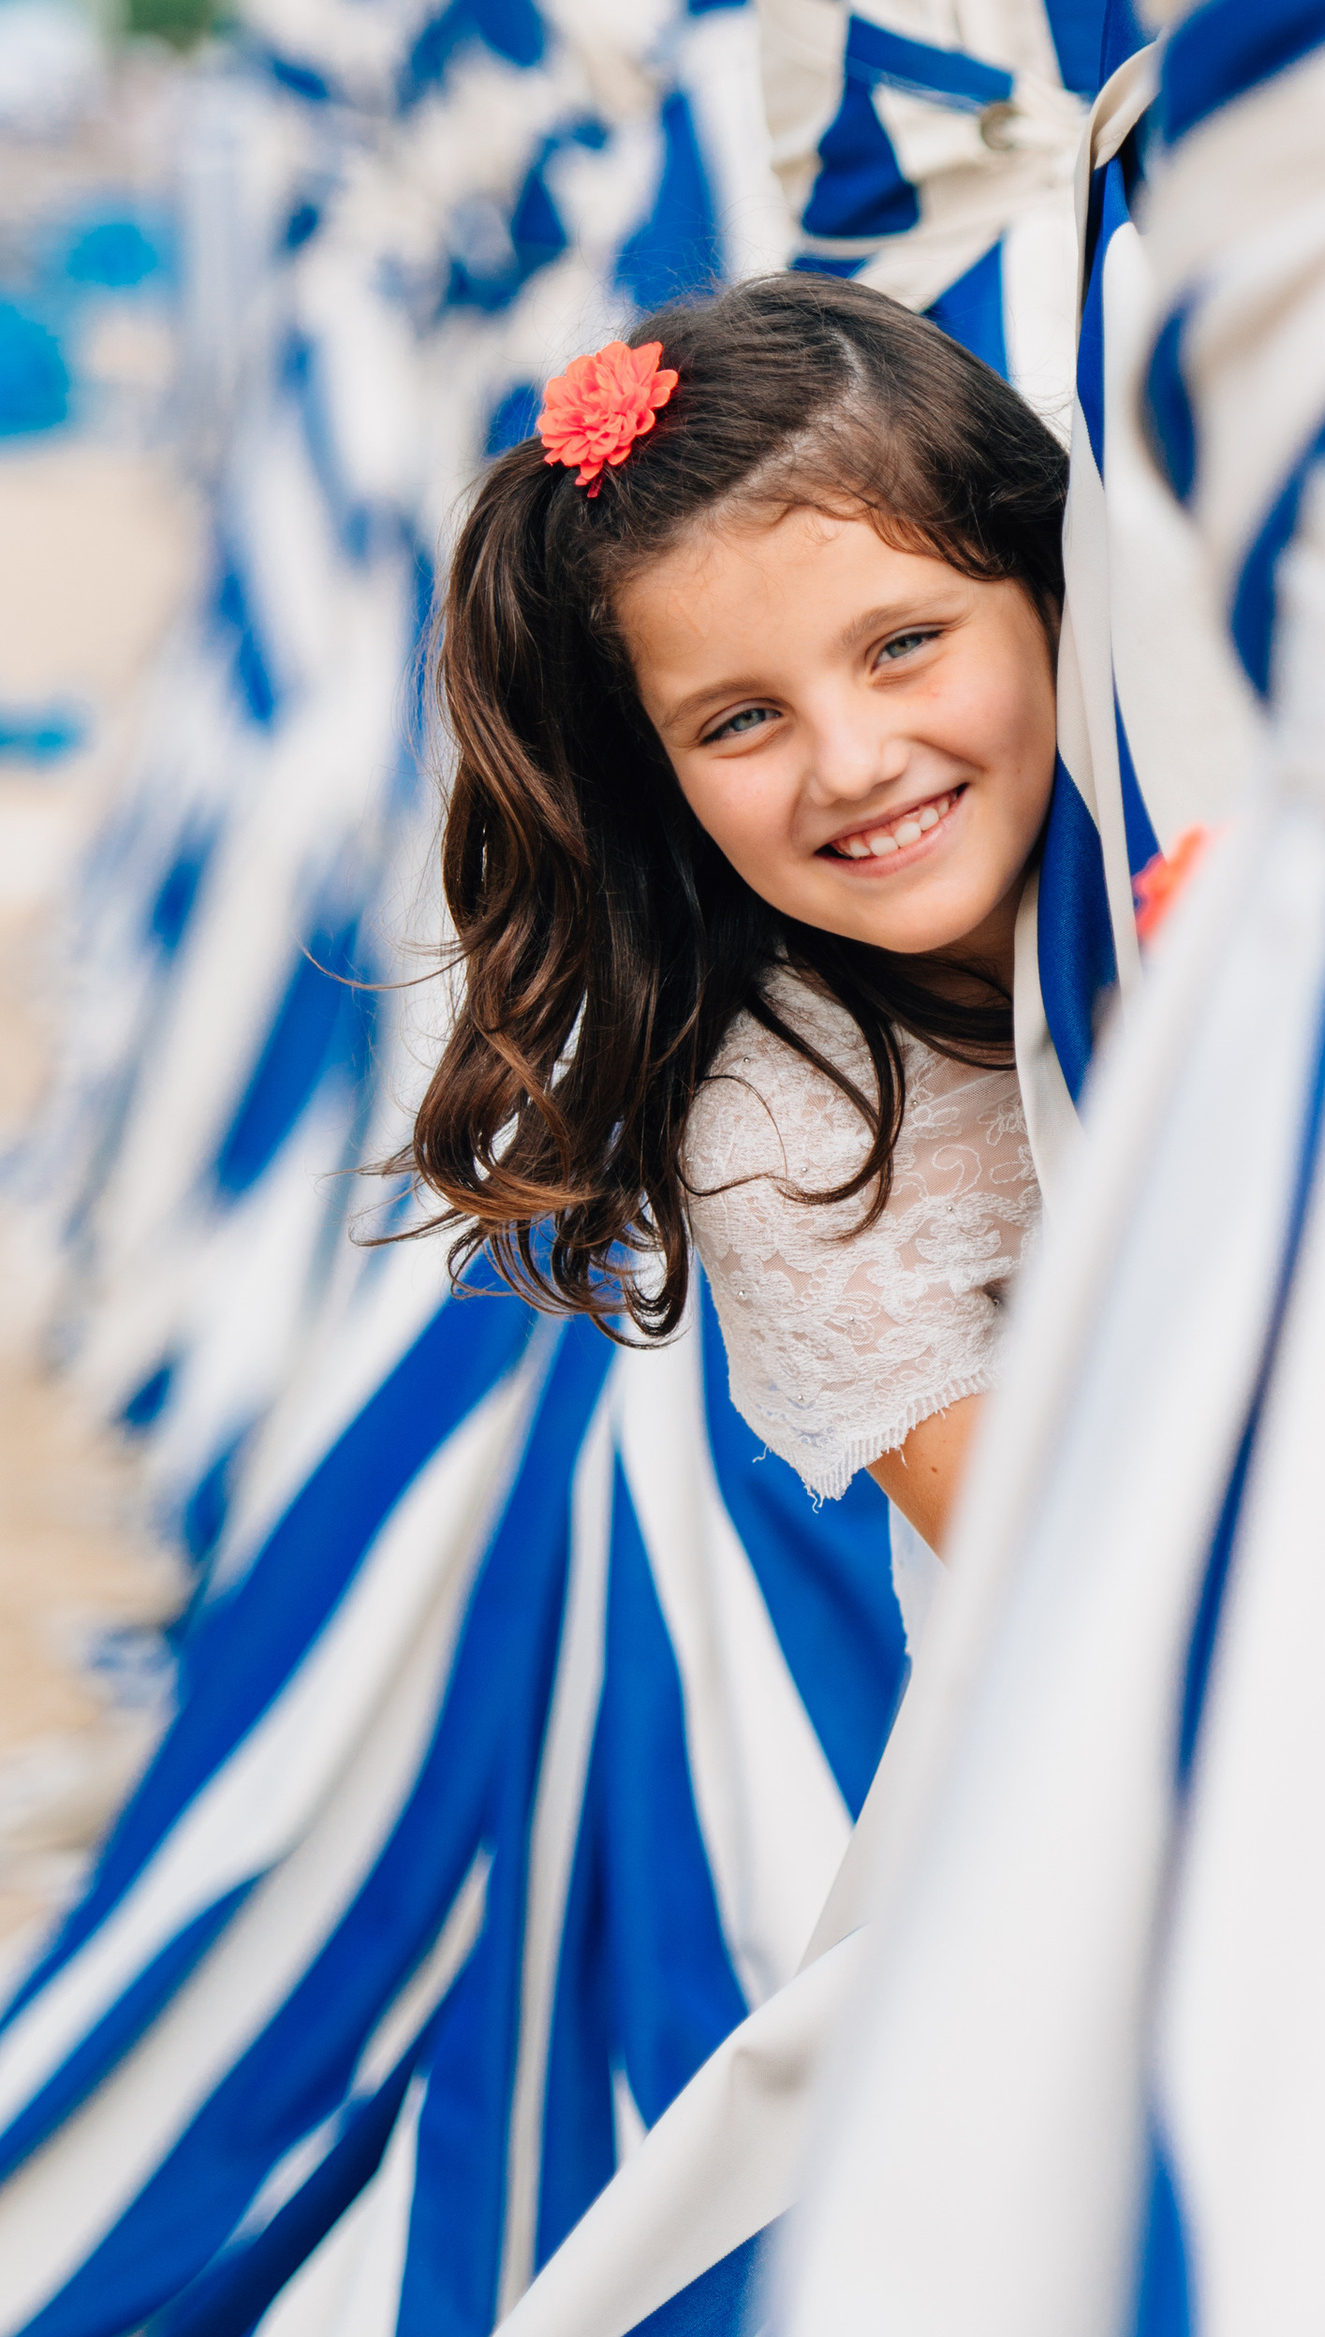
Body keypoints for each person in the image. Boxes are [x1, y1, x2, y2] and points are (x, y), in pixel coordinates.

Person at [408, 275, 1059, 1614]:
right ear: (658, 777)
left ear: (1050, 588)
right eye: (741, 721)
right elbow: (1067, 1579)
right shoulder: (786, 1137)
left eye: (905, 644)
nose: (854, 763)